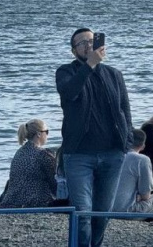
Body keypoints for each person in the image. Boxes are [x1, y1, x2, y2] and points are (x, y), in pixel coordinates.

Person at [56, 28, 134, 247]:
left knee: (102, 214)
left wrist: (126, 144)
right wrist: (89, 65)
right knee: (82, 213)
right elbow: (70, 93)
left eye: (91, 41)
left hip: (112, 154)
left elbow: (124, 110)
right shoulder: (66, 72)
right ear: (74, 51)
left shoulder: (113, 74)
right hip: (79, 154)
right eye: (82, 43)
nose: (88, 45)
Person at [0, 119, 57, 208]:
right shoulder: (43, 154)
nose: (47, 135)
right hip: (36, 202)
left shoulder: (19, 153)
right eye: (46, 132)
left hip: (11, 201)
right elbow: (54, 182)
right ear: (39, 134)